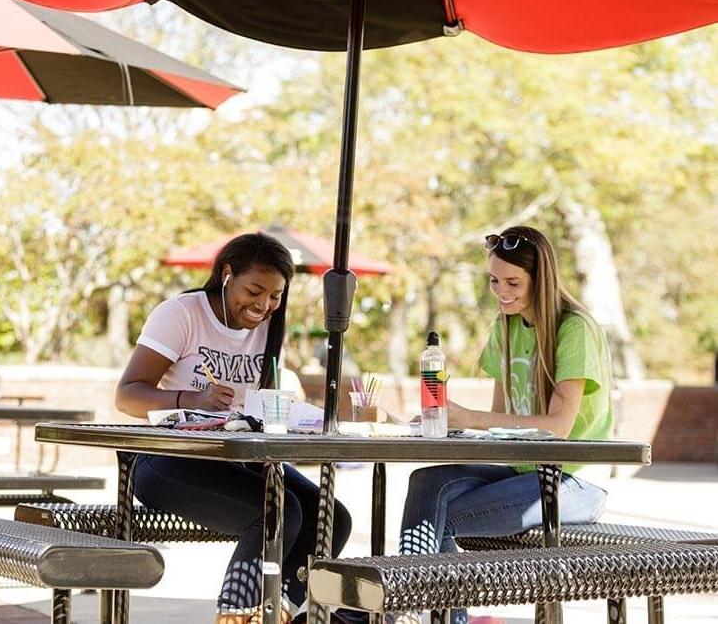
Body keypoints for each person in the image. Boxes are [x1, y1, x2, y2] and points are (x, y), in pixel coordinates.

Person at [115, 232, 352, 624]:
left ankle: (280, 612)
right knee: (280, 512)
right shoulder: (182, 313)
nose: (263, 305)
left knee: (332, 518)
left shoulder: (268, 328)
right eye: (254, 290)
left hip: (237, 458)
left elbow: (257, 405)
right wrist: (191, 400)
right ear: (227, 274)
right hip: (168, 460)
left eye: (275, 295)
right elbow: (126, 396)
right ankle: (235, 614)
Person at [396, 226, 612, 624]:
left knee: (438, 516)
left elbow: (557, 428)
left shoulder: (574, 328)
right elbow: (501, 426)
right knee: (427, 482)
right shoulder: (506, 328)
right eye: (494, 281)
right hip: (522, 472)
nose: (501, 291)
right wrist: (451, 426)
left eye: (513, 282)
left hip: (573, 480)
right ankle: (416, 611)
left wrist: (473, 418)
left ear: (540, 280)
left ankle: (412, 611)